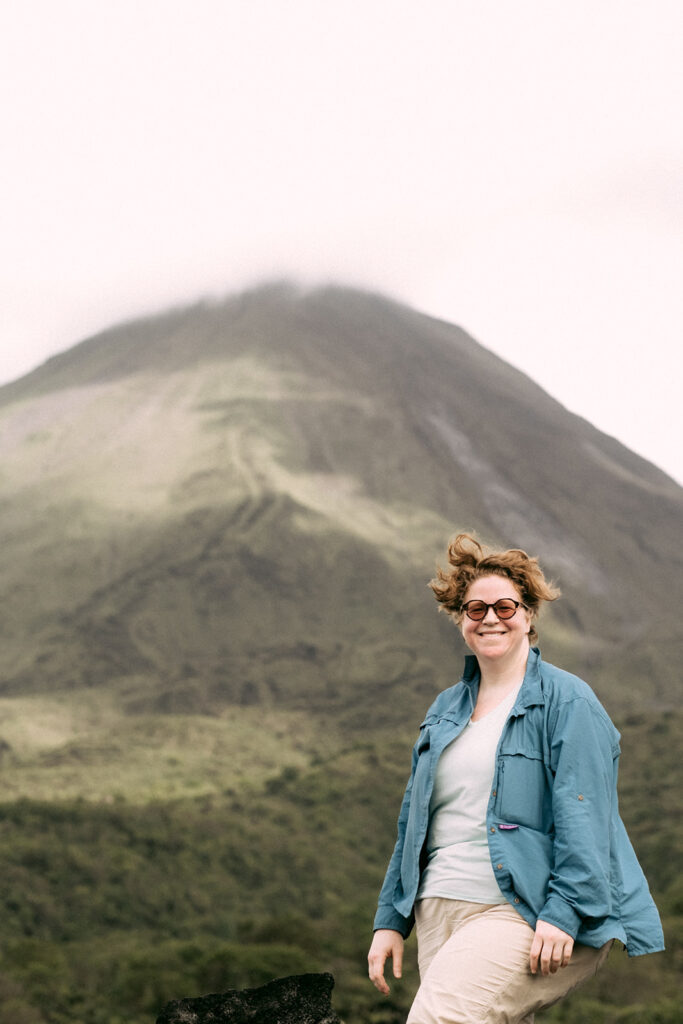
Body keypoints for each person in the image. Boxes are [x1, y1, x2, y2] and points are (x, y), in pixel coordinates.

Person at [368, 533, 664, 1024]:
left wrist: (564, 910)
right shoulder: (444, 709)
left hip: (525, 908)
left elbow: (585, 813)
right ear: (461, 620)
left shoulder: (568, 702)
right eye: (475, 608)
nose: (489, 618)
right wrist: (390, 920)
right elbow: (413, 824)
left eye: (504, 606)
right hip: (441, 908)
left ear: (528, 615)